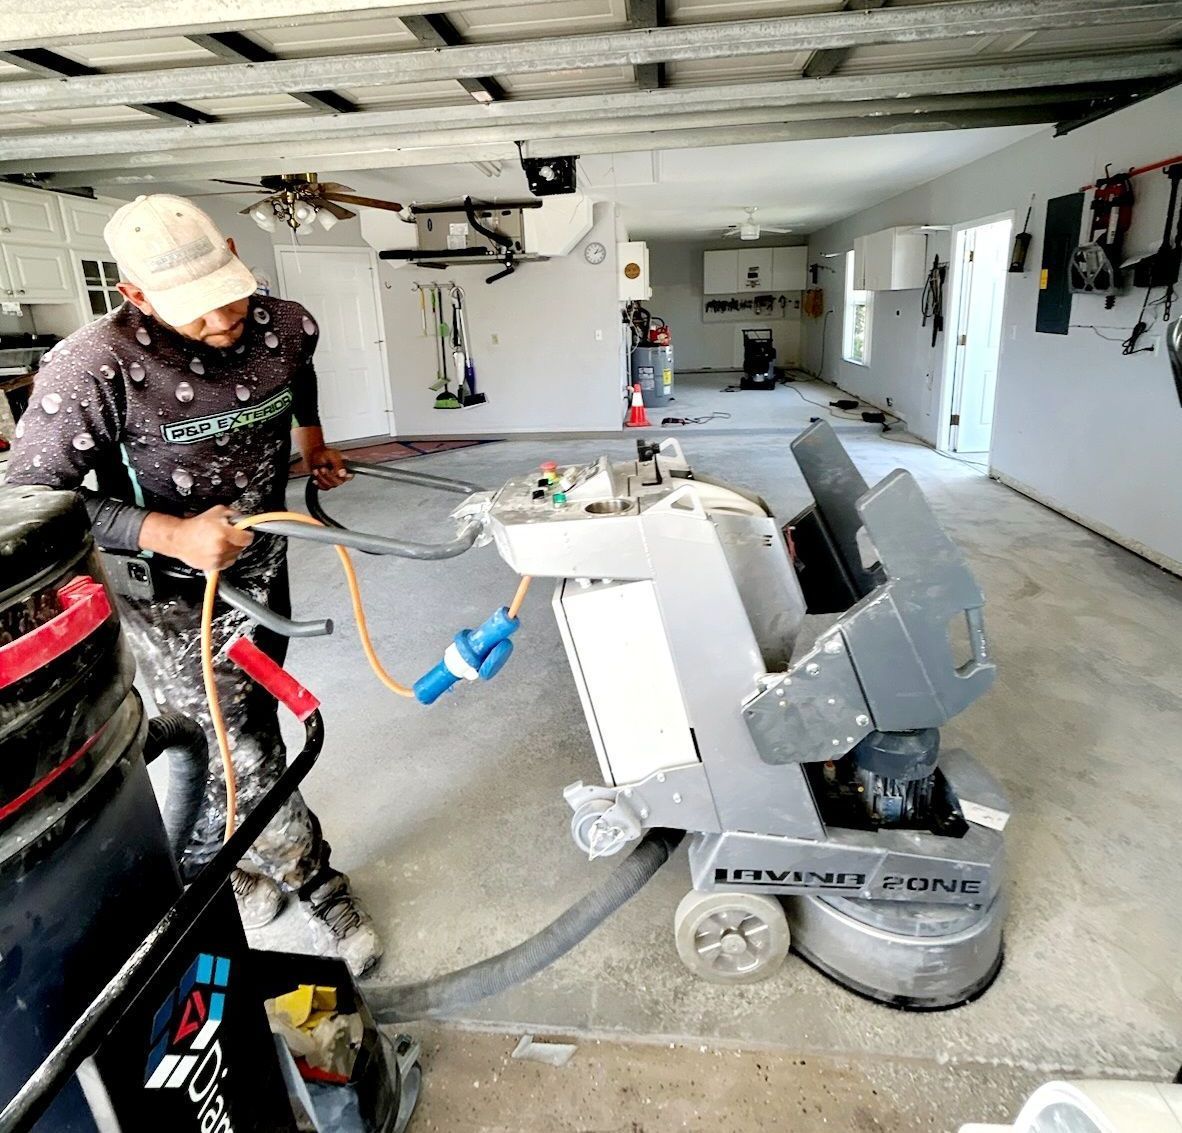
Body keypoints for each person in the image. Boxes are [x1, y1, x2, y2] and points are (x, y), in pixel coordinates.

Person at [6, 194, 382, 976]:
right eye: (196, 314)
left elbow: (294, 375)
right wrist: (170, 531)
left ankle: (235, 865)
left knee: (249, 722)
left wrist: (311, 443)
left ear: (237, 254)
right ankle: (315, 883)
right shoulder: (92, 366)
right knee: (231, 739)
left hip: (262, 562)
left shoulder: (286, 325)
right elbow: (31, 499)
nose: (221, 324)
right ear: (134, 295)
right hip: (171, 590)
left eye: (229, 298)